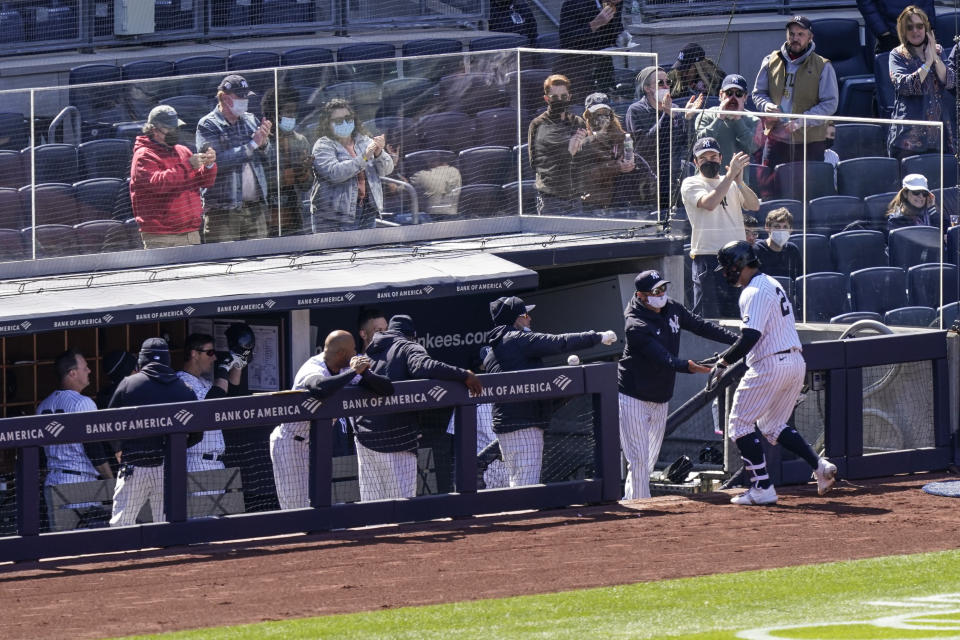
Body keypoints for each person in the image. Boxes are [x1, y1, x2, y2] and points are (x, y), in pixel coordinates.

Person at [713, 240, 838, 505]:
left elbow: (750, 336)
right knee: (771, 425)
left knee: (739, 425)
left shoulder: (753, 291)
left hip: (771, 363)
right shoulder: (771, 282)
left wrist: (724, 361)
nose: (726, 273)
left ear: (740, 264)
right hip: (794, 362)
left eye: (728, 267)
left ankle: (762, 487)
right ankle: (819, 466)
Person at [617, 271, 738, 499]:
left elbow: (701, 325)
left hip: (661, 394)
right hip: (634, 395)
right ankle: (642, 506)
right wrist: (701, 368)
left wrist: (738, 341)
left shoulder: (672, 308)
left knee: (648, 459)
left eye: (663, 288)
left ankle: (631, 500)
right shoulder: (635, 324)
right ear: (641, 295)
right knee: (639, 459)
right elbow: (666, 360)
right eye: (655, 291)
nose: (661, 294)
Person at [484, 296, 616, 486]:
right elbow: (558, 342)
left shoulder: (493, 350)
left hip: (507, 424)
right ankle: (524, 516)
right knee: (526, 485)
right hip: (523, 423)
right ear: (517, 318)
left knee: (517, 482)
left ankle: (521, 514)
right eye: (526, 314)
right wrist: (598, 337)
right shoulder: (516, 339)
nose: (530, 318)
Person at [356, 315, 482, 501]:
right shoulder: (407, 345)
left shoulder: (371, 351)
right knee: (402, 506)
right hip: (395, 439)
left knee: (372, 505)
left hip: (365, 437)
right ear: (412, 335)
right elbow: (424, 366)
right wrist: (464, 374)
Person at [270, 330, 394, 510]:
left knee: (318, 503)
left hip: (315, 446)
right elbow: (320, 387)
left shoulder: (345, 367)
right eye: (352, 350)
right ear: (341, 354)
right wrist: (353, 372)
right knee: (296, 507)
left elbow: (387, 388)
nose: (356, 353)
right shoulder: (313, 367)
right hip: (291, 443)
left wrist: (365, 373)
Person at [108, 338, 201, 526]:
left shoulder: (129, 384)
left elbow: (109, 424)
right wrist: (175, 449)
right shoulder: (185, 390)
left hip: (135, 463)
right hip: (170, 467)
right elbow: (198, 434)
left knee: (120, 525)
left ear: (142, 360)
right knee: (169, 525)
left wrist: (118, 448)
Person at [680, 137, 758, 318]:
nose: (709, 161)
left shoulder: (731, 183)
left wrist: (739, 182)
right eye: (703, 158)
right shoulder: (691, 183)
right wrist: (731, 176)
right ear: (695, 162)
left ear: (721, 158)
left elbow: (754, 205)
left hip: (737, 258)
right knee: (709, 316)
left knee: (738, 314)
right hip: (708, 256)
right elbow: (709, 203)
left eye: (713, 156)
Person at [38, 349, 114, 529]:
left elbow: (40, 454)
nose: (89, 371)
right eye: (85, 367)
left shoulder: (43, 405)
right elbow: (94, 449)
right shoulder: (83, 403)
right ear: (72, 373)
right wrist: (111, 482)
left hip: (53, 482)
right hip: (79, 484)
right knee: (89, 543)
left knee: (59, 546)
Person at [752, 16, 838, 170]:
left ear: (810, 37)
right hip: (776, 138)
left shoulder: (823, 66)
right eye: (791, 34)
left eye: (800, 34)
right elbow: (758, 93)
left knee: (809, 191)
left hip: (810, 141)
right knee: (770, 189)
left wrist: (801, 121)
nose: (795, 38)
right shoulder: (770, 61)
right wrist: (766, 106)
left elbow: (830, 104)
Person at [196, 74, 273, 243]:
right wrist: (252, 145)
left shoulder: (251, 120)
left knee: (262, 264)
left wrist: (264, 144)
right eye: (240, 96)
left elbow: (269, 159)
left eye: (247, 96)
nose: (245, 100)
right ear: (224, 97)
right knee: (225, 263)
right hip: (223, 212)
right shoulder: (207, 125)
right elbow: (215, 163)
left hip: (255, 208)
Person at [130, 105, 217, 249]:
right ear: (153, 130)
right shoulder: (144, 155)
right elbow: (158, 184)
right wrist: (188, 166)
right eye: (169, 129)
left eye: (176, 128)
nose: (174, 132)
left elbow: (205, 182)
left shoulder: (182, 150)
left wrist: (208, 165)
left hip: (191, 233)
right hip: (161, 236)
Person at [626, 65, 702, 214]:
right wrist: (666, 116)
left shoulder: (674, 108)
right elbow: (643, 146)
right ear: (647, 88)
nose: (666, 86)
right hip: (648, 182)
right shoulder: (636, 110)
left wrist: (687, 118)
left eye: (668, 82)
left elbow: (686, 145)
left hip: (673, 179)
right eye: (660, 83)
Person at [310, 98, 394, 233]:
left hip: (367, 210)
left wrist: (379, 153)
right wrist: (364, 157)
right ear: (328, 123)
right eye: (338, 121)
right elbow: (335, 173)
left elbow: (387, 170)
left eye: (348, 118)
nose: (344, 123)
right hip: (334, 217)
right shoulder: (322, 145)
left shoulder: (364, 140)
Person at [887, 5, 955, 159]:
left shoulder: (937, 50)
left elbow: (949, 81)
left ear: (926, 28)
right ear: (903, 31)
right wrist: (927, 63)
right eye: (909, 27)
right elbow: (905, 86)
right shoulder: (897, 55)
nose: (915, 31)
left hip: (938, 133)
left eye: (919, 26)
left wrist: (934, 58)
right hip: (908, 137)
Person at [176, 333, 246, 477]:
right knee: (200, 501)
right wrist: (223, 368)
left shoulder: (206, 383)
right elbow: (213, 404)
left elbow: (230, 397)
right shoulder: (180, 382)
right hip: (196, 462)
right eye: (210, 353)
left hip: (217, 462)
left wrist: (237, 364)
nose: (214, 358)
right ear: (194, 354)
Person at [528, 74, 588, 216]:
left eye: (563, 96)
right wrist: (568, 151)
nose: (559, 100)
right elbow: (535, 163)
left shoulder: (578, 122)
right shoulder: (538, 124)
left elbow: (585, 161)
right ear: (546, 98)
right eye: (554, 97)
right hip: (550, 199)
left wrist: (584, 147)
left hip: (575, 197)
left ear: (569, 97)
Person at [261, 86, 313, 235]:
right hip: (266, 216)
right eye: (288, 112)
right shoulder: (261, 141)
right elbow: (259, 181)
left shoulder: (300, 140)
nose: (292, 116)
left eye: (294, 111)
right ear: (274, 114)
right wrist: (289, 174)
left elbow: (307, 185)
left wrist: (304, 172)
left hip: (294, 215)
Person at [575, 92, 635, 212]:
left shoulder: (622, 137)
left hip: (621, 199)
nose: (602, 118)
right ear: (588, 116)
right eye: (597, 114)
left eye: (605, 114)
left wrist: (631, 163)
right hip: (593, 201)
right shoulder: (581, 140)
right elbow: (586, 173)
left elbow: (628, 159)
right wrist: (616, 167)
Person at [556, 0, 622, 99]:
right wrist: (595, 24)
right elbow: (567, 39)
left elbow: (613, 32)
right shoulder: (573, 3)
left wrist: (622, 38)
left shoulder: (614, 4)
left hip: (603, 68)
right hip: (576, 71)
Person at [694, 74, 760, 169]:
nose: (733, 98)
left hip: (737, 180)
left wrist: (738, 119)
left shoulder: (753, 120)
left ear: (745, 97)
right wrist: (719, 118)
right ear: (721, 95)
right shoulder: (706, 115)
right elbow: (700, 142)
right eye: (729, 93)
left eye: (738, 94)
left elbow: (754, 147)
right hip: (708, 179)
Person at [858, 0, 935, 53]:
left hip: (921, 31)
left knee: (929, 72)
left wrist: (929, 25)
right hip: (891, 34)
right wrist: (883, 32)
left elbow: (928, 3)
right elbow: (865, 3)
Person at [754, 207, 801, 289]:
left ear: (791, 230)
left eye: (785, 227)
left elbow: (801, 281)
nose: (781, 231)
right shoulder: (757, 250)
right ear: (767, 228)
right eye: (777, 227)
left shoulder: (793, 250)